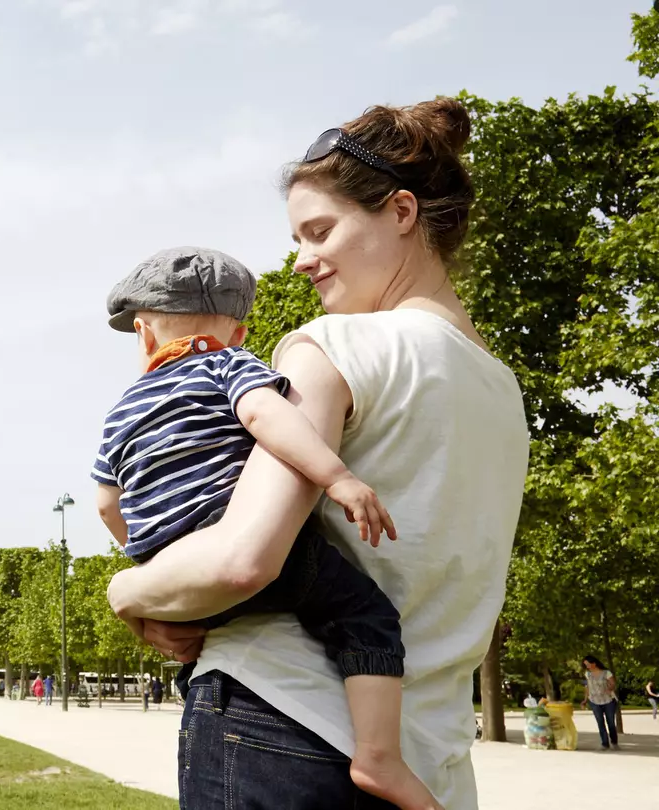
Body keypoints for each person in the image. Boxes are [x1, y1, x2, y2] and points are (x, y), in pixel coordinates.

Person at [107, 98, 529, 810]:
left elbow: (244, 559)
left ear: (400, 213)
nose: (301, 261)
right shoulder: (503, 390)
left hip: (282, 718)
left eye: (319, 231)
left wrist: (127, 593)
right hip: (429, 760)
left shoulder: (332, 348)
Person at [94, 245, 426, 807]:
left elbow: (107, 504)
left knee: (198, 656)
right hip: (245, 543)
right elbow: (268, 418)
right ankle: (380, 755)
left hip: (182, 576)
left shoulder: (120, 410)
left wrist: (159, 567)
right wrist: (337, 476)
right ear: (241, 332)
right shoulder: (226, 363)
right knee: (364, 616)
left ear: (145, 336)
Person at [583, 655, 620, 750]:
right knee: (600, 722)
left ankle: (614, 742)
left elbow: (613, 684)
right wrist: (585, 699)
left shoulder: (606, 673)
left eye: (588, 664)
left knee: (610, 723)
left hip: (608, 701)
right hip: (594, 701)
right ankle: (605, 743)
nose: (587, 666)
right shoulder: (588, 674)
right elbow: (588, 687)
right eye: (585, 665)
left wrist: (610, 688)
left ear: (594, 663)